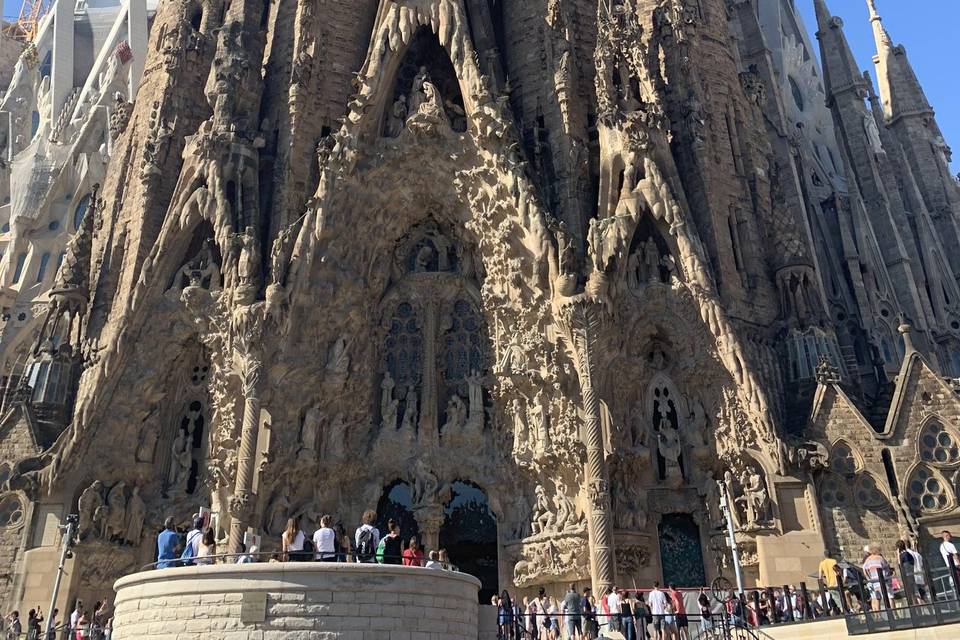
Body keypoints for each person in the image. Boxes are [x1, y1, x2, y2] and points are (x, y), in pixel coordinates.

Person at [862, 544, 892, 611]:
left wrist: (869, 578)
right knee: (888, 596)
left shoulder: (867, 559)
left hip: (874, 581)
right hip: (882, 580)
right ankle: (893, 613)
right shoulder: (879, 558)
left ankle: (878, 614)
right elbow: (886, 566)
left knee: (877, 598)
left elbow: (864, 569)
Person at [818, 550, 842, 614]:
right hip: (837, 583)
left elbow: (820, 576)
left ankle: (836, 611)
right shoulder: (834, 561)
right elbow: (838, 571)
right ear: (830, 554)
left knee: (835, 599)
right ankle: (842, 611)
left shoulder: (822, 563)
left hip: (830, 585)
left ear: (824, 555)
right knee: (840, 598)